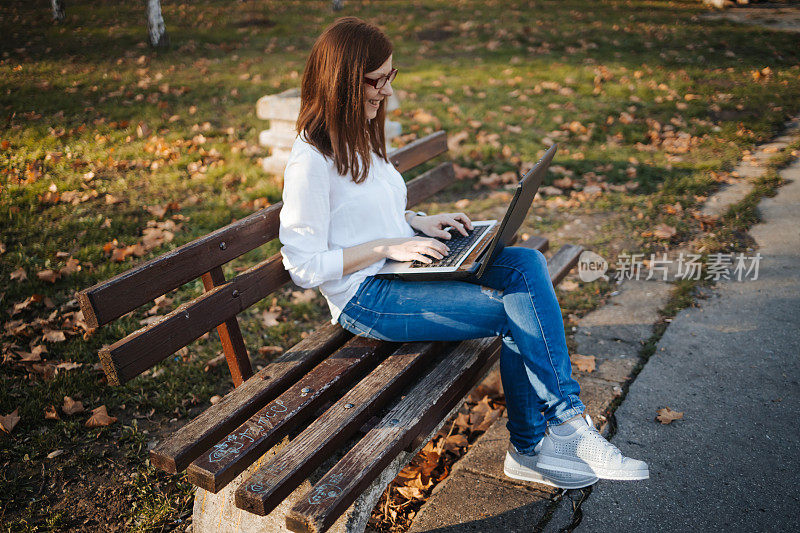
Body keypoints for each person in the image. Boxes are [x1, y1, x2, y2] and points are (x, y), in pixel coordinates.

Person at [278, 16, 648, 489]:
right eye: (378, 80)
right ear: (344, 80)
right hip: (366, 297)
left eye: (392, 76)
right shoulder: (310, 160)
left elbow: (366, 212)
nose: (387, 91)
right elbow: (303, 266)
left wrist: (416, 222)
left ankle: (554, 434)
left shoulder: (359, 136)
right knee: (514, 310)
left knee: (526, 264)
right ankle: (550, 436)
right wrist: (386, 245)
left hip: (398, 269)